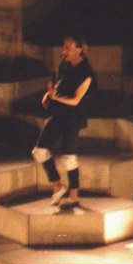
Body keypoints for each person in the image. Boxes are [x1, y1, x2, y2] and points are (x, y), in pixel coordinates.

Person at [31, 35, 95, 208]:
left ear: (79, 49)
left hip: (74, 117)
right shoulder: (65, 65)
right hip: (59, 114)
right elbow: (59, 83)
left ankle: (74, 196)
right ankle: (57, 186)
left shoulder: (86, 73)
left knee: (68, 156)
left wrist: (55, 97)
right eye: (63, 47)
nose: (63, 51)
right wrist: (48, 95)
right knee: (39, 151)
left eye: (68, 48)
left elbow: (75, 100)